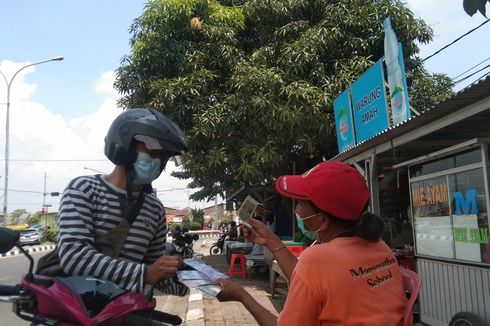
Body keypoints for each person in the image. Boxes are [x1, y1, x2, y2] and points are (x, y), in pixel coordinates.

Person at [216, 162, 409, 325]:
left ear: (322, 220)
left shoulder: (317, 259)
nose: (297, 210)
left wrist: (241, 294)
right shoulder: (379, 247)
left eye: (301, 203)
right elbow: (310, 282)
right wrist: (270, 240)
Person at [56, 108, 189, 295]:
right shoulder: (84, 189)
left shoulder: (155, 208)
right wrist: (145, 275)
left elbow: (155, 271)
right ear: (125, 147)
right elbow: (74, 256)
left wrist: (203, 284)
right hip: (83, 309)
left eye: (163, 156)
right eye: (152, 151)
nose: (157, 161)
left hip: (128, 310)